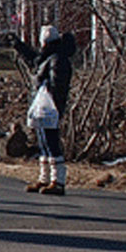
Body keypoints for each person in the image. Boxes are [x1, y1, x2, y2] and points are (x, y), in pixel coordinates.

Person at [11, 25, 75, 194]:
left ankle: (58, 180)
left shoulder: (56, 59)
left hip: (50, 107)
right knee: (43, 142)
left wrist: (52, 100)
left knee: (51, 141)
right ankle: (44, 178)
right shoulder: (50, 56)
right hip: (45, 107)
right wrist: (19, 46)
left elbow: (57, 84)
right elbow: (34, 60)